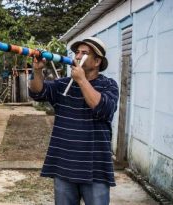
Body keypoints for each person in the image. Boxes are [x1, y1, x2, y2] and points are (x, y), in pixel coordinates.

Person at [29, 37, 119, 205]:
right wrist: (37, 71)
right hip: (64, 165)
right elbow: (37, 93)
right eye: (77, 52)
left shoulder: (109, 85)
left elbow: (101, 108)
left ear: (97, 61)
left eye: (84, 53)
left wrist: (82, 80)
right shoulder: (62, 84)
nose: (77, 56)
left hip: (96, 168)